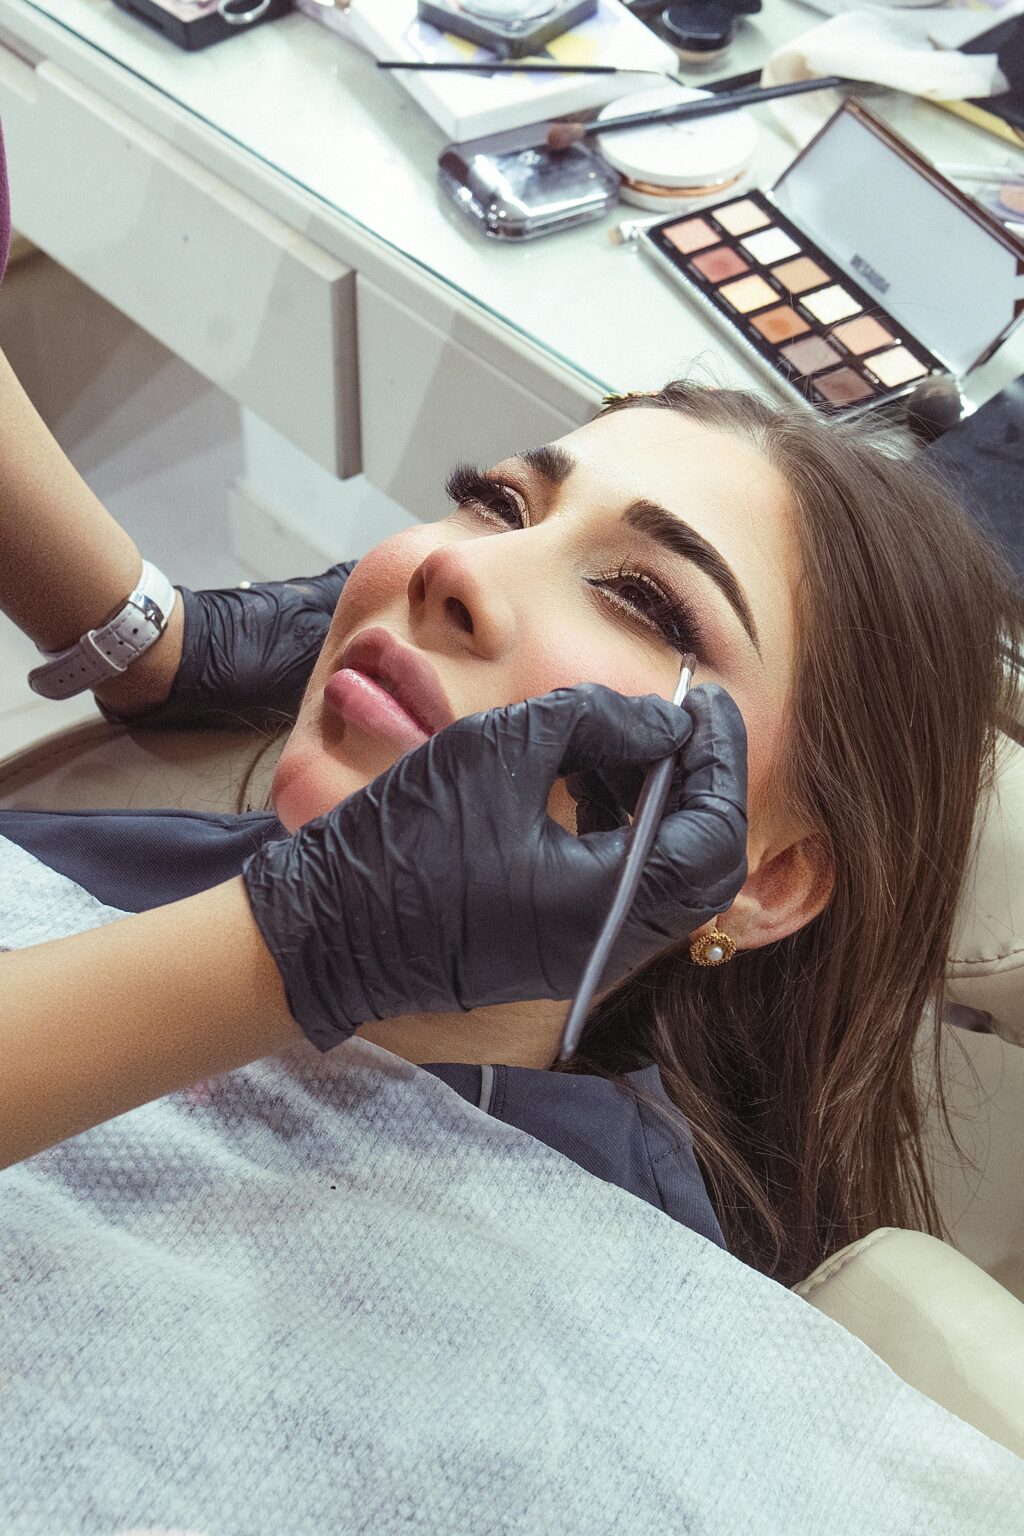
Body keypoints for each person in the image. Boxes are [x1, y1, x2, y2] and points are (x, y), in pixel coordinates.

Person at [1, 336, 1020, 1284]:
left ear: (767, 877)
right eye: (495, 504)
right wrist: (292, 944)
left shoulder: (600, 1291)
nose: (457, 566)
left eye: (646, 602)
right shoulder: (139, 862)